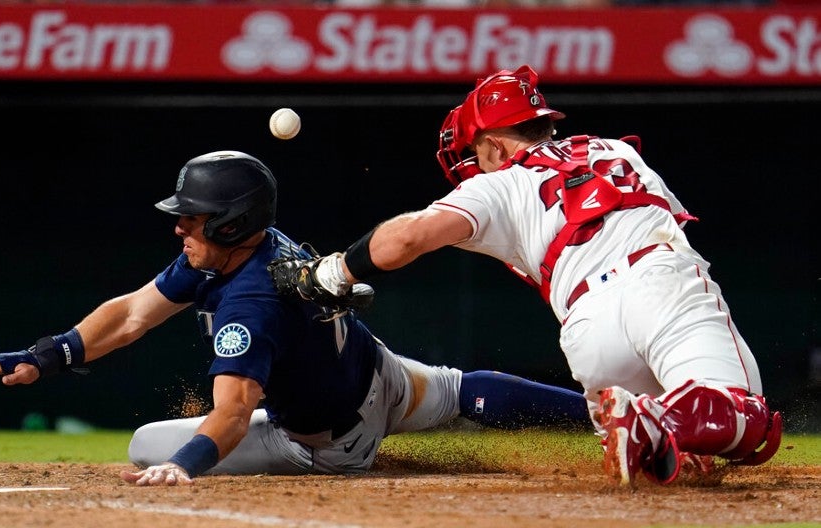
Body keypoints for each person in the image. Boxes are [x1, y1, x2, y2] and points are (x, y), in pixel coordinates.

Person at [269, 65, 783, 486]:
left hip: (587, 329)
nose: (473, 166)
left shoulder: (497, 186)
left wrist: (332, 270)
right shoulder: (616, 150)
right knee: (743, 416)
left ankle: (657, 426)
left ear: (493, 147)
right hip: (660, 279)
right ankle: (664, 422)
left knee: (674, 455)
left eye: (475, 154)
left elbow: (404, 239)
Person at [0, 150, 590, 486]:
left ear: (232, 222)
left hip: (330, 445)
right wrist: (45, 355)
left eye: (193, 215)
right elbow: (129, 316)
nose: (180, 225)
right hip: (383, 374)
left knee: (149, 445)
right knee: (460, 391)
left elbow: (232, 412)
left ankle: (353, 457)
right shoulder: (242, 250)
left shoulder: (248, 300)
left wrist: (184, 465)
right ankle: (596, 418)